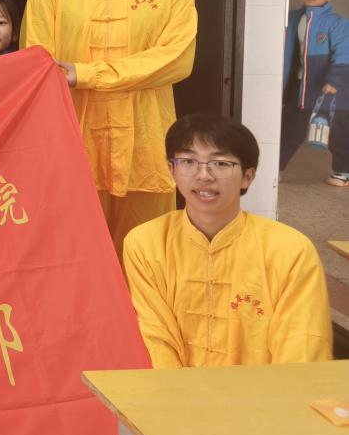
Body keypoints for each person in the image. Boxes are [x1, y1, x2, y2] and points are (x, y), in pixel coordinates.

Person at [22, 0, 197, 259]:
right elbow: (39, 62)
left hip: (145, 145)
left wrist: (85, 74)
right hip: (72, 139)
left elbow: (176, 59)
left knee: (146, 257)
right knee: (73, 255)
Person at [123, 114, 332, 367]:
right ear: (172, 170)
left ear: (247, 176)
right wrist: (175, 391)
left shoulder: (291, 250)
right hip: (171, 389)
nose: (203, 175)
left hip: (264, 391)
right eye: (188, 161)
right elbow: (155, 338)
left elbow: (302, 348)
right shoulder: (146, 243)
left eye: (220, 163)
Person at [279, 0, 349, 185]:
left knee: (338, 130)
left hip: (333, 87)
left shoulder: (338, 23)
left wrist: (335, 80)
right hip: (301, 85)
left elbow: (345, 53)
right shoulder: (291, 18)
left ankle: (343, 172)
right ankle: (275, 168)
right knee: (290, 127)